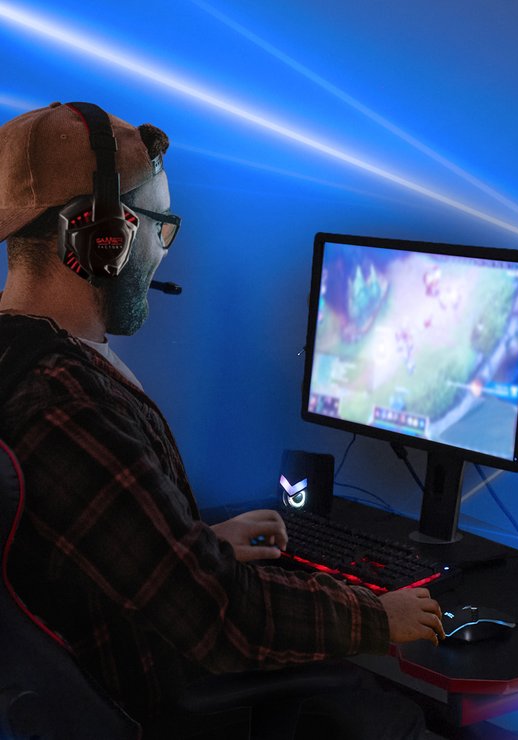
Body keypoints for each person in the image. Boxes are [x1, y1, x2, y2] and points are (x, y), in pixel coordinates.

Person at [0, 102, 444, 738]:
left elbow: (80, 544)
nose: (163, 255)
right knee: (402, 714)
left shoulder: (19, 357)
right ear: (103, 238)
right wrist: (378, 615)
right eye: (160, 229)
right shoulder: (64, 400)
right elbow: (220, 616)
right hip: (155, 700)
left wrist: (196, 544)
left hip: (99, 667)